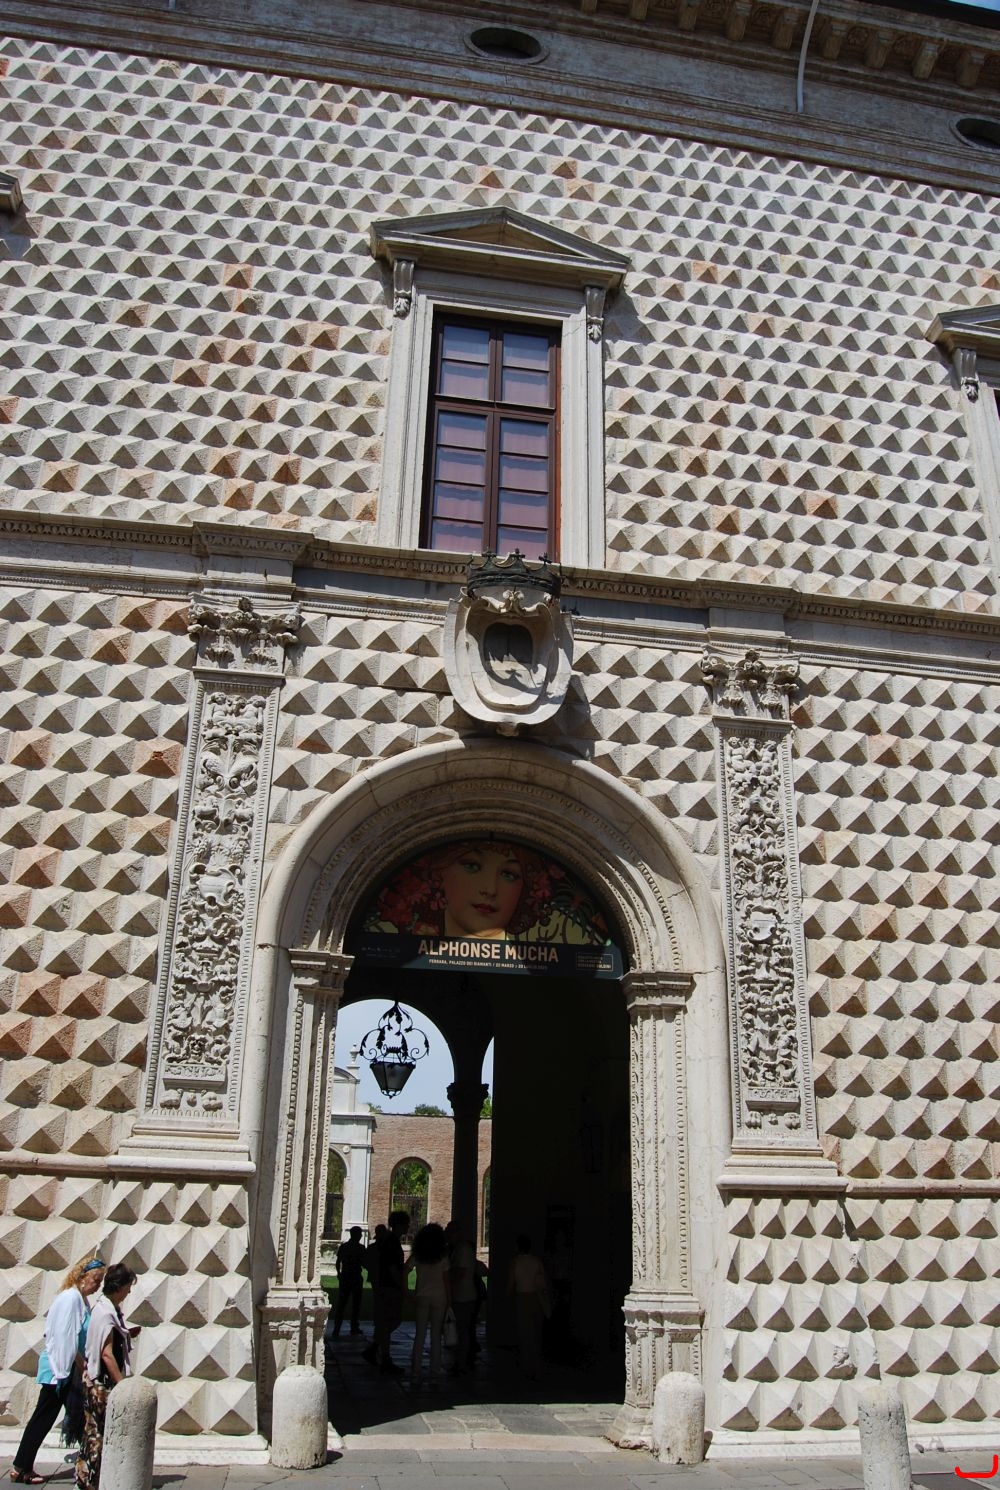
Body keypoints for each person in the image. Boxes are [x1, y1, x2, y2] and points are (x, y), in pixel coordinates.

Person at [10, 1256, 106, 1484]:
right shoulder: (70, 1299)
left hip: (65, 1369)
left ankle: (91, 1466)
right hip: (59, 1371)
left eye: (100, 1281)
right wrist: (81, 1369)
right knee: (48, 1418)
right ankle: (21, 1467)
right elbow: (66, 1339)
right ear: (83, 1277)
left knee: (71, 1417)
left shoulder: (80, 1300)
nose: (98, 1285)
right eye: (96, 1279)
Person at [76, 1263, 138, 1490]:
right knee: (98, 1436)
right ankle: (90, 1482)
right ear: (119, 1286)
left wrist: (126, 1333)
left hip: (98, 1382)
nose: (129, 1291)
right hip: (102, 1384)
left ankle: (88, 1480)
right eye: (128, 1286)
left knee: (94, 1433)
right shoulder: (105, 1312)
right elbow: (106, 1353)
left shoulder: (106, 1308)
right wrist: (122, 1386)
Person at [362, 1211, 408, 1375]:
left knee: (388, 1322)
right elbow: (392, 1267)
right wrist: (401, 1286)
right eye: (406, 1224)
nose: (408, 1227)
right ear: (400, 1225)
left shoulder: (390, 1241)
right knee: (390, 1321)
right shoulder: (392, 1242)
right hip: (389, 1287)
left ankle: (375, 1349)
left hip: (385, 1285)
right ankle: (383, 1356)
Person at [406, 1223, 451, 1389]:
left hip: (422, 1297)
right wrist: (450, 1301)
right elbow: (446, 1281)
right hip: (439, 1297)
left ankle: (416, 1373)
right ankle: (434, 1374)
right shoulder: (443, 1257)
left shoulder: (418, 1255)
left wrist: (407, 1293)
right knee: (436, 1337)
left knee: (420, 1335)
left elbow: (404, 1271)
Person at [506, 1234, 549, 1381]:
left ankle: (527, 1368)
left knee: (525, 1335)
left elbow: (510, 1284)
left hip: (522, 1299)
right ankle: (536, 1367)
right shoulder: (537, 1261)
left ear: (518, 1246)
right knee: (536, 1334)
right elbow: (544, 1282)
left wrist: (506, 1297)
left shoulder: (515, 1262)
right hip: (536, 1298)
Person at [444, 1220, 477, 1375]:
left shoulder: (463, 1250)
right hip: (461, 1296)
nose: (448, 1236)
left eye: (450, 1233)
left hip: (464, 1297)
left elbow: (459, 1273)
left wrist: (449, 1291)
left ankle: (462, 1363)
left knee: (462, 1331)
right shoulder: (458, 1249)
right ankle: (460, 1361)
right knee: (460, 1330)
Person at [332, 1227, 365, 1337]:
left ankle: (337, 1328)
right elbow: (364, 1263)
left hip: (346, 1277)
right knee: (356, 1304)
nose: (361, 1236)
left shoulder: (344, 1246)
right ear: (356, 1235)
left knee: (342, 1303)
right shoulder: (360, 1248)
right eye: (360, 1234)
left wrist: (339, 1273)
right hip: (355, 1277)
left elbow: (338, 1262)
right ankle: (353, 1327)